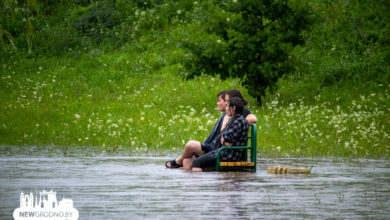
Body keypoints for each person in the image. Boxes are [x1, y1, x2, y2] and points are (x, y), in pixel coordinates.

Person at [165, 89, 256, 169]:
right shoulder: (227, 114)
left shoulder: (240, 114)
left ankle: (179, 161)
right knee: (187, 162)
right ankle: (196, 185)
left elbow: (253, 119)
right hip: (214, 145)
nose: (224, 103)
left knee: (190, 145)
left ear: (234, 104)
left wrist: (239, 121)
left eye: (227, 101)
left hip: (220, 149)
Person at [191, 97, 249, 172]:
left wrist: (224, 138)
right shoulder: (234, 119)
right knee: (198, 158)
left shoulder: (239, 121)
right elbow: (224, 138)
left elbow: (228, 140)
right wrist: (224, 138)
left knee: (197, 162)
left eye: (228, 106)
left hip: (228, 154)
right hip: (224, 151)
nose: (226, 108)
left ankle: (201, 183)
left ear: (233, 108)